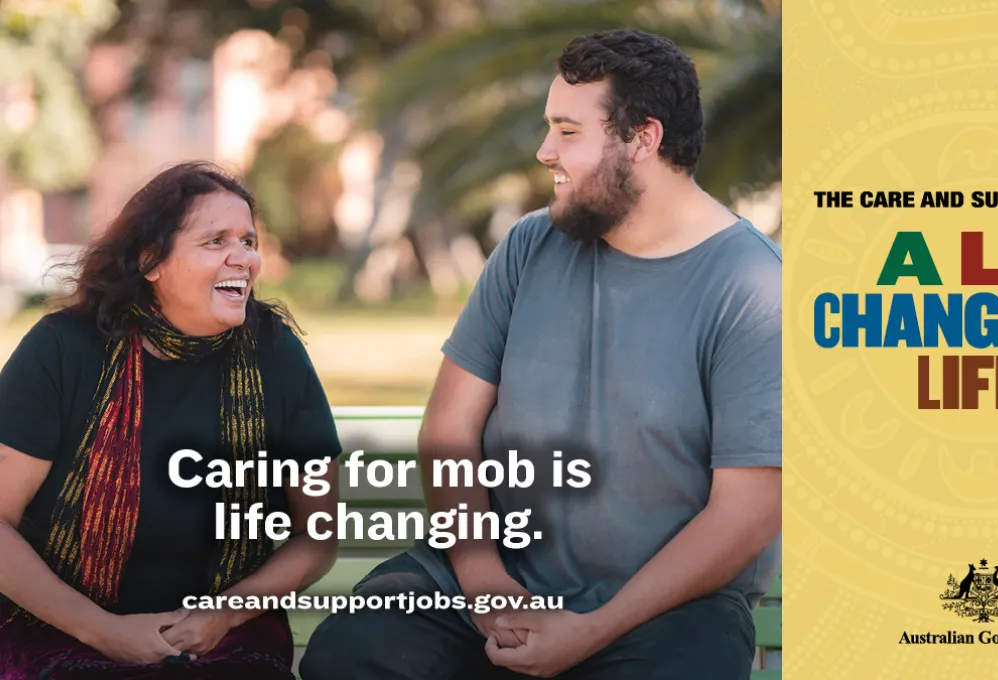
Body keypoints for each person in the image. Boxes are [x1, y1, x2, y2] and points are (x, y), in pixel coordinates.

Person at [301, 28, 781, 680]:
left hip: (663, 611)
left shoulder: (753, 287)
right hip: (491, 582)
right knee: (351, 654)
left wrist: (590, 631)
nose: (544, 151)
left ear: (643, 139)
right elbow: (449, 428)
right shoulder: (530, 247)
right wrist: (484, 580)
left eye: (568, 131)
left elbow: (745, 514)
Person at [0, 162, 342, 679]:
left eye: (248, 241)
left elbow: (316, 536)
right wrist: (102, 630)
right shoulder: (63, 349)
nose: (243, 257)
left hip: (223, 632)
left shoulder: (275, 354)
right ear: (150, 262)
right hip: (60, 627)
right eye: (215, 241)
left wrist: (222, 614)